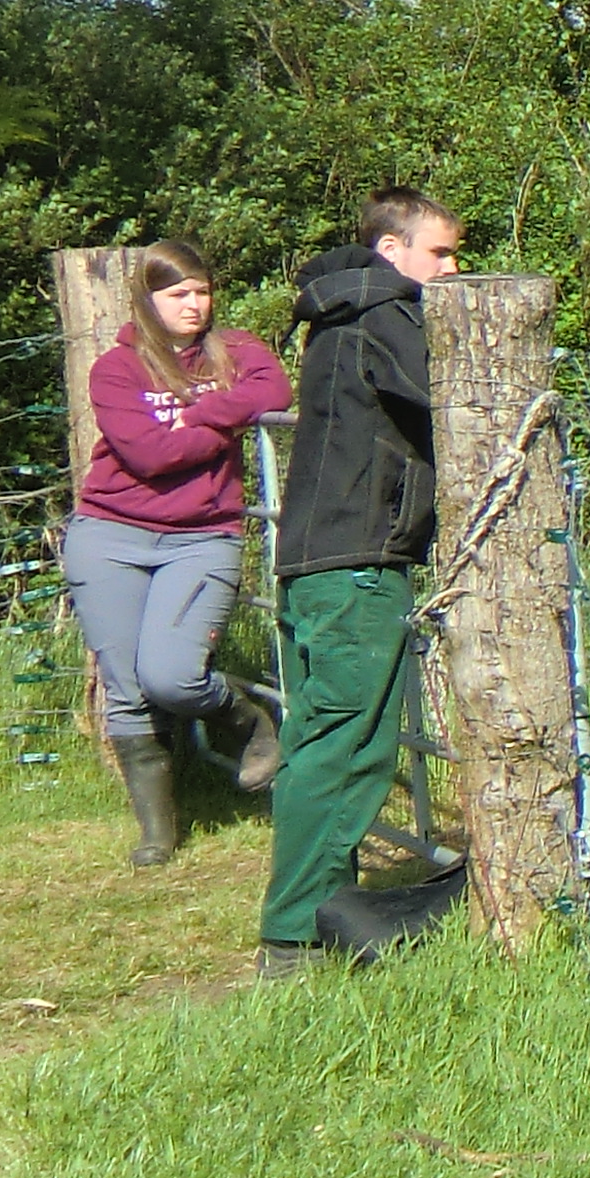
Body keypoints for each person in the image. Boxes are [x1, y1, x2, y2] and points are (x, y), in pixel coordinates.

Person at [255, 189, 461, 982]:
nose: (453, 269)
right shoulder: (383, 320)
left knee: (319, 744)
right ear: (391, 251)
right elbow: (461, 402)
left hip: (318, 563)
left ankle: (315, 910)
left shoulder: (338, 318)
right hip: (354, 566)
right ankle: (296, 938)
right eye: (440, 252)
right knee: (349, 750)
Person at [66, 238, 293, 867]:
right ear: (148, 300)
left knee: (170, 674)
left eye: (202, 291)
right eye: (178, 294)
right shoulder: (117, 368)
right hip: (108, 534)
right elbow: (148, 455)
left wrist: (201, 415)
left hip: (202, 536)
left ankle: (248, 722)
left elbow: (274, 391)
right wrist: (221, 421)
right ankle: (159, 834)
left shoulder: (239, 350)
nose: (194, 305)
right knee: (127, 685)